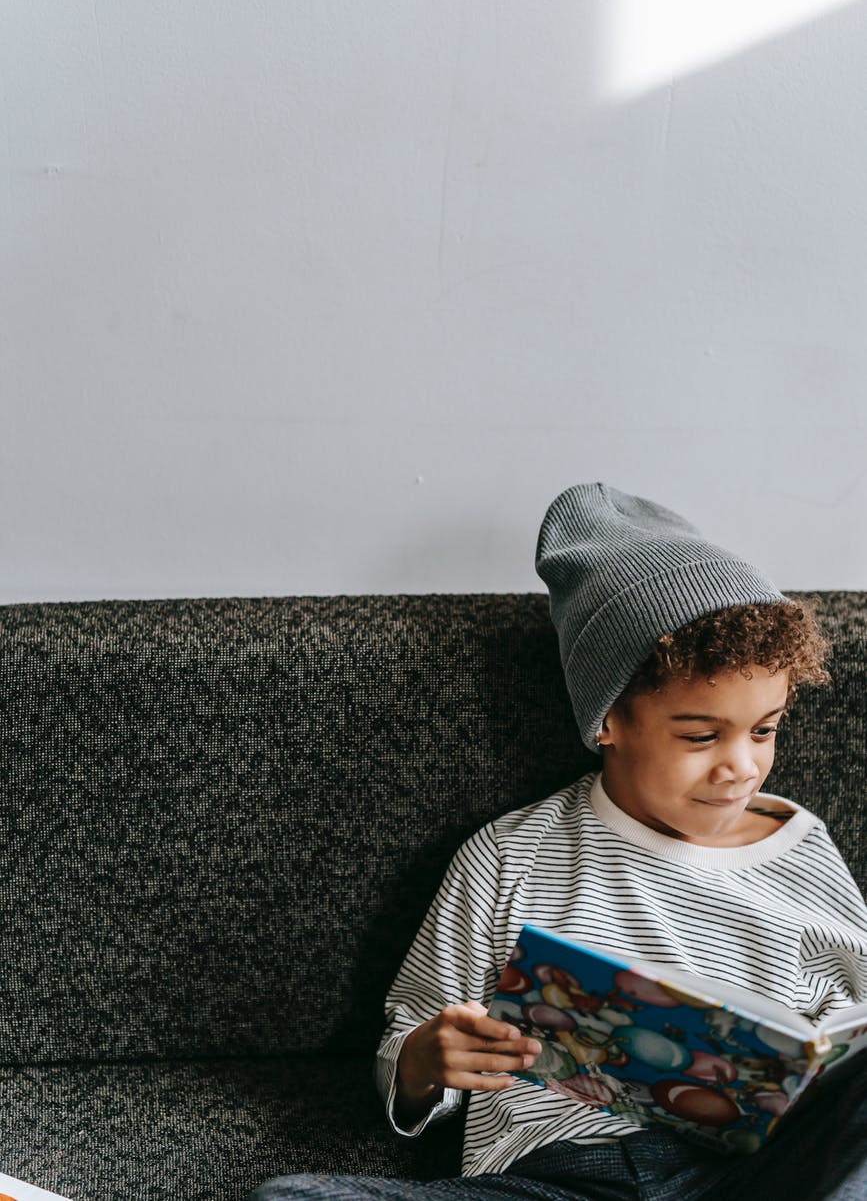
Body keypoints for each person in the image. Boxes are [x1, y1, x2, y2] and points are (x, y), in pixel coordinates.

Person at [244, 483, 867, 1201]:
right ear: (607, 721)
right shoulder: (510, 854)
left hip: (751, 1177)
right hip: (564, 1180)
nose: (741, 766)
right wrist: (427, 1059)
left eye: (765, 729)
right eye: (700, 736)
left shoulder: (800, 848)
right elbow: (411, 1042)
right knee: (292, 1200)